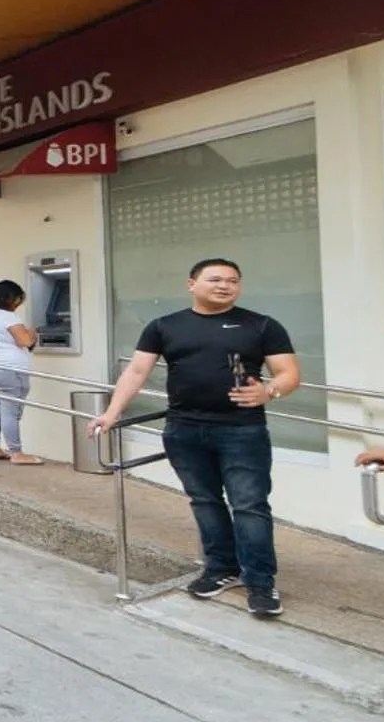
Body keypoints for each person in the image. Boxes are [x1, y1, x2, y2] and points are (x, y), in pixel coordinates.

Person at [89, 258, 299, 618]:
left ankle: (261, 582)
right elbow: (137, 371)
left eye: (233, 280)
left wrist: (270, 392)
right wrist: (111, 413)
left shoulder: (261, 326)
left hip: (242, 431)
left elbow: (289, 373)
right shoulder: (164, 326)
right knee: (204, 500)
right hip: (184, 429)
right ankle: (221, 569)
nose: (225, 285)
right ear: (191, 284)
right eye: (215, 279)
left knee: (249, 505)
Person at [0, 279, 43, 465]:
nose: (19, 303)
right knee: (10, 412)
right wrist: (32, 332)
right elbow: (25, 341)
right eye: (19, 299)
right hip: (10, 372)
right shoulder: (7, 316)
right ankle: (17, 453)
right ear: (12, 298)